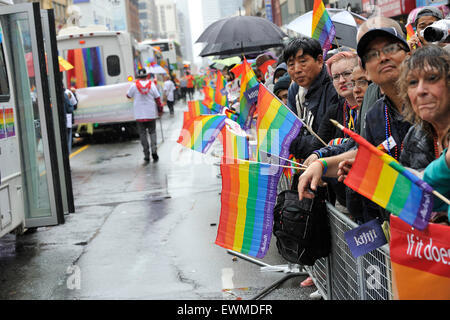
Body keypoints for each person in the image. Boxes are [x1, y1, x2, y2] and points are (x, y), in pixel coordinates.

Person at [297, 17, 412, 224]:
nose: (383, 58)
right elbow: (365, 153)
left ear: (409, 53)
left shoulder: (430, 100)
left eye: (390, 48)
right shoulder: (376, 114)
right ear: (366, 69)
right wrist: (322, 164)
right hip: (399, 226)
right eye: (372, 54)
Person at [284, 37, 340, 160]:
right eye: (291, 64)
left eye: (303, 62)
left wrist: (299, 143)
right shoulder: (294, 90)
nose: (297, 69)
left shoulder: (334, 87)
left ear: (319, 60)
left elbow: (326, 140)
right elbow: (288, 136)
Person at [126, 68, 163, 163]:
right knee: (152, 132)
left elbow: (128, 96)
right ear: (146, 76)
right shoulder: (152, 85)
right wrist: (160, 110)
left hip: (139, 115)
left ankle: (146, 154)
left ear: (138, 77)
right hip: (150, 113)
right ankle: (154, 151)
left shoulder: (134, 86)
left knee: (142, 134)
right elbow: (158, 98)